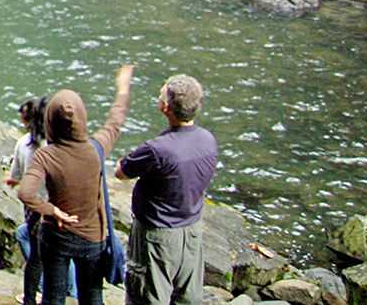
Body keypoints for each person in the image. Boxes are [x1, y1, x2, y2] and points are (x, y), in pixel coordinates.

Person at [19, 64, 136, 305]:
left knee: (53, 297)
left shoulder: (46, 155)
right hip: (92, 238)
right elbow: (116, 119)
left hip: (56, 236)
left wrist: (52, 211)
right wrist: (123, 88)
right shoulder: (97, 148)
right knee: (92, 296)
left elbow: (25, 192)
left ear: (50, 120)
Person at [116, 75, 218, 305]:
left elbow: (122, 172)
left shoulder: (157, 149)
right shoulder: (208, 140)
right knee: (188, 298)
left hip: (157, 236)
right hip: (192, 231)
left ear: (165, 108)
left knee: (147, 297)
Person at [8, 97, 75, 305]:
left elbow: (17, 175)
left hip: (35, 208)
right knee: (62, 253)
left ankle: (30, 298)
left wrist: (13, 180)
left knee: (36, 257)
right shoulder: (63, 144)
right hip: (59, 205)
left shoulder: (24, 144)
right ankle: (69, 292)